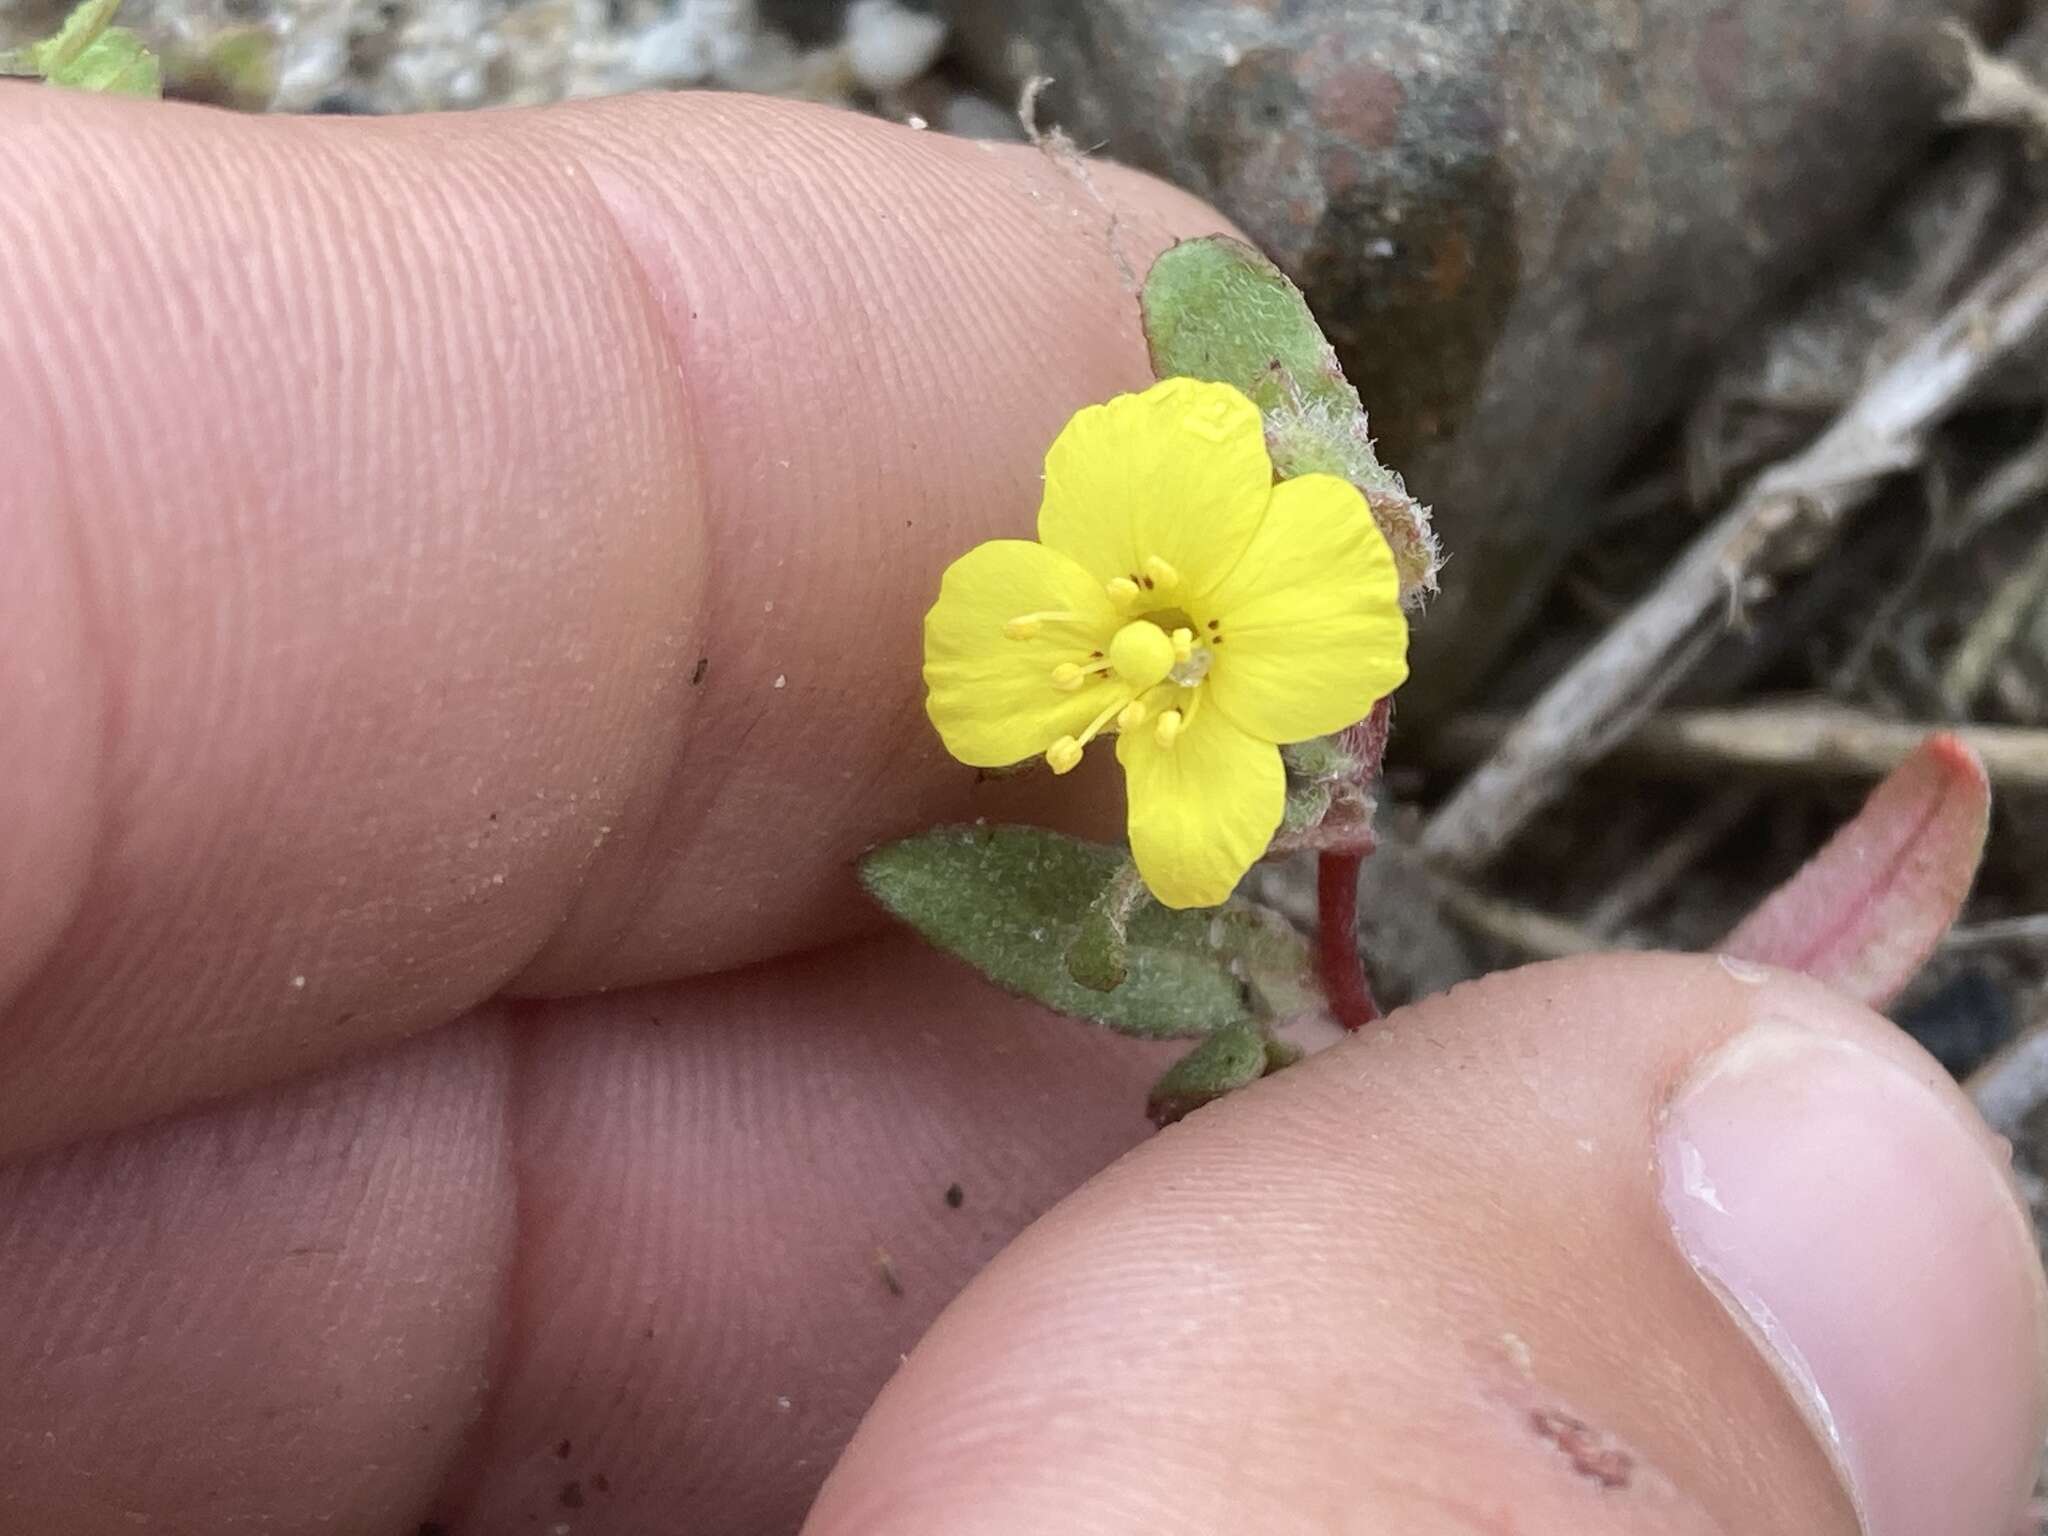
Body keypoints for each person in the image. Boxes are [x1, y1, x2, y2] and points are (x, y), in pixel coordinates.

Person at [0, 85, 2040, 1536]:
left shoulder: (1285, 629)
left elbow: (1265, 625)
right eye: (1152, 648)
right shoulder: (1171, 720)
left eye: (1169, 647)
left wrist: (1209, 672)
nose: (1145, 665)